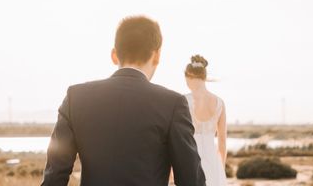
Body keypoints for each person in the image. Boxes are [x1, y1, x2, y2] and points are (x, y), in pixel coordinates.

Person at [41, 16, 206, 186]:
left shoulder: (76, 98)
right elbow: (191, 181)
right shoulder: (173, 104)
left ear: (114, 55)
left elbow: (54, 178)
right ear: (157, 56)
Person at [184, 55, 227, 186]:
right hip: (214, 162)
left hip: (191, 160)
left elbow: (178, 138)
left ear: (190, 77)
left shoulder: (184, 101)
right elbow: (222, 142)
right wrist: (221, 168)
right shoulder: (219, 103)